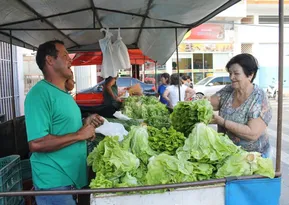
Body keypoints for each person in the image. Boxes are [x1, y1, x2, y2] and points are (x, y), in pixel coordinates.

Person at [24, 40, 104, 205]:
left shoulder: (63, 94)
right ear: (50, 60)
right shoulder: (39, 94)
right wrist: (80, 134)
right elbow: (37, 143)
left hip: (70, 181)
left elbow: (64, 128)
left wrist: (85, 124)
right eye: (65, 55)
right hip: (55, 185)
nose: (70, 60)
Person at [209, 53, 272, 158]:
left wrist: (222, 122)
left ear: (250, 75)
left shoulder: (258, 98)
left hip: (254, 158)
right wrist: (196, 101)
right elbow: (210, 103)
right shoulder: (228, 90)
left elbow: (252, 134)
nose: (231, 77)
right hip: (228, 154)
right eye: (230, 73)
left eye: (236, 73)